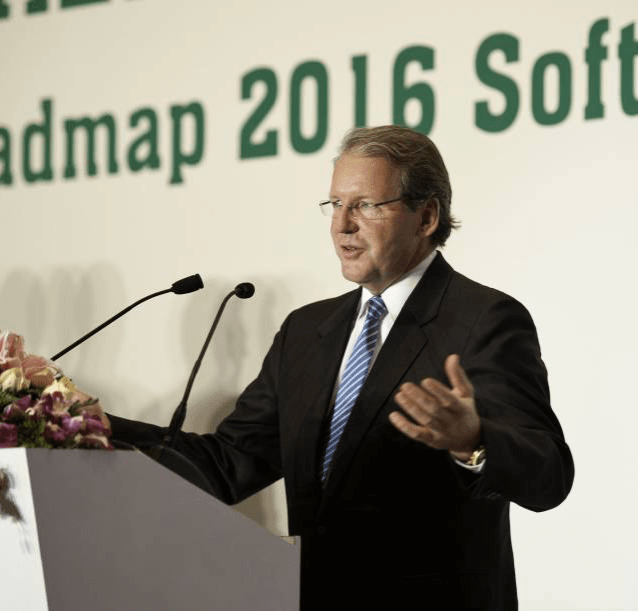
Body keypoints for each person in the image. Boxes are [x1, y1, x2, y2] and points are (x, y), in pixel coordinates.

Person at [108, 125, 574, 610]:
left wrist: (473, 440)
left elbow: (550, 476)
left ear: (427, 216)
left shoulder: (483, 319)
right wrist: (93, 424)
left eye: (366, 205)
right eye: (335, 204)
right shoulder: (306, 331)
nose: (342, 225)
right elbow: (228, 464)